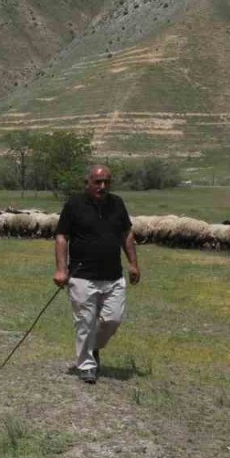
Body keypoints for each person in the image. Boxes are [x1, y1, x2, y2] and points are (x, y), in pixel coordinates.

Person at [54, 164, 142, 384]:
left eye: (107, 182)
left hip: (113, 275)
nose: (103, 186)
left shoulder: (117, 204)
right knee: (84, 322)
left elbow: (126, 234)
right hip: (82, 275)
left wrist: (133, 263)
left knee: (113, 319)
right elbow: (62, 237)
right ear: (88, 183)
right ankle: (87, 366)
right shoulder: (74, 204)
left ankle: (93, 347)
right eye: (98, 182)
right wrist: (61, 269)